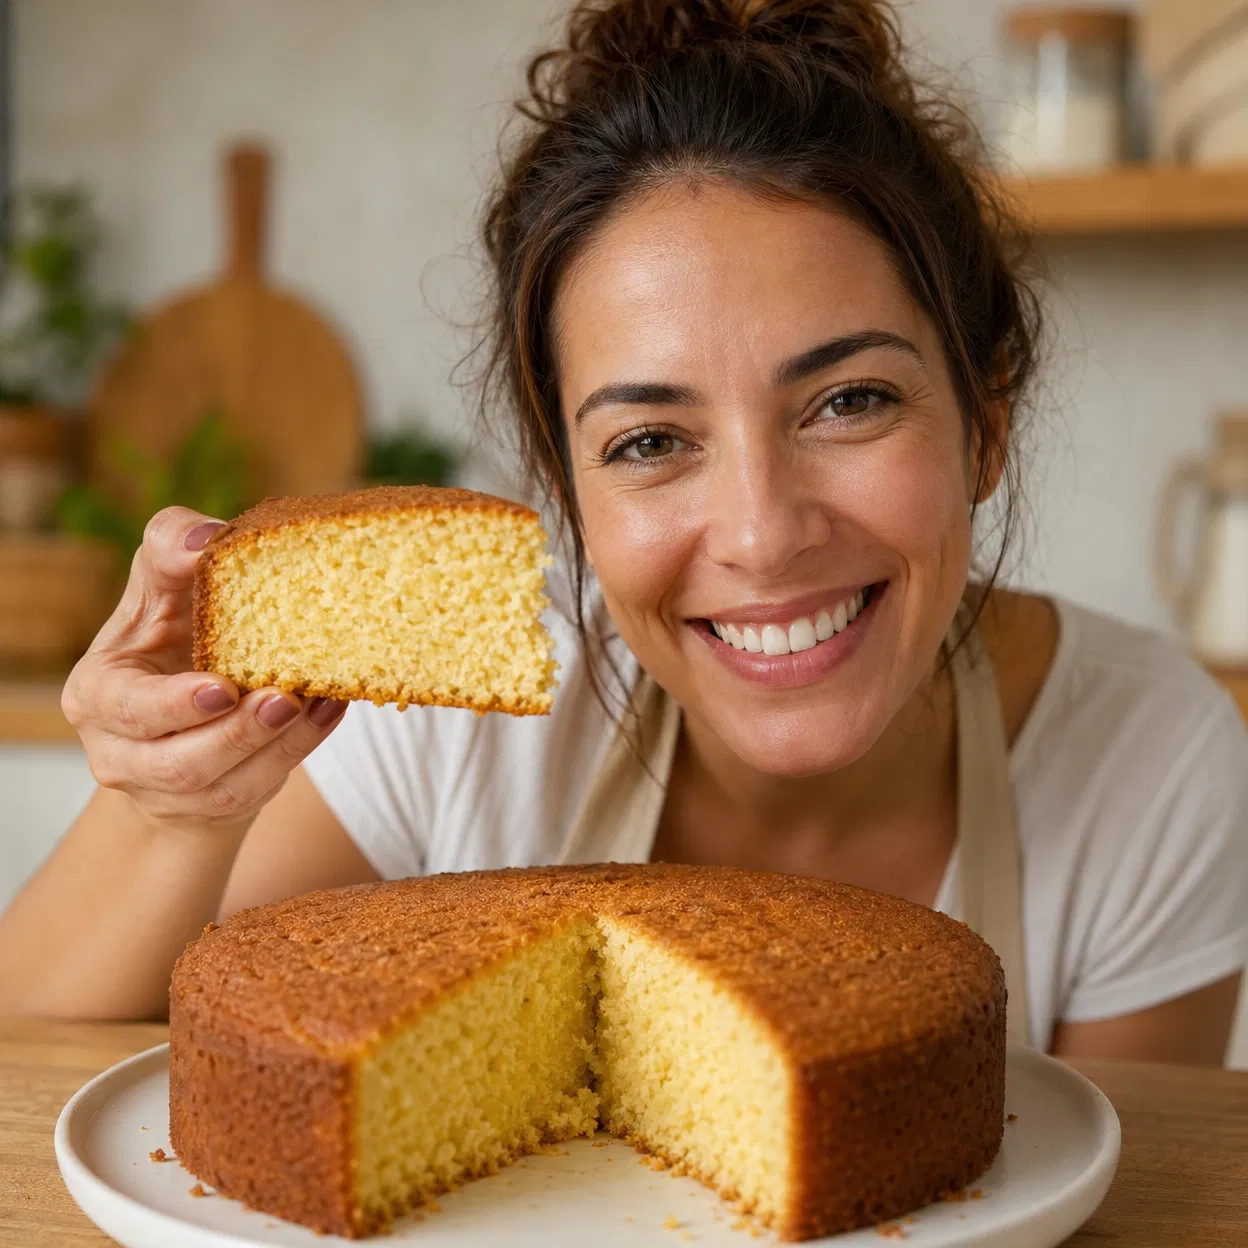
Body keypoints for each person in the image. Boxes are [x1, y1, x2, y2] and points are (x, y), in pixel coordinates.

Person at [2, 0, 1245, 1062]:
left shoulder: (1151, 763)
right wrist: (171, 808)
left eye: (849, 401)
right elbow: (54, 1078)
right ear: (570, 486)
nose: (761, 534)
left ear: (985, 419)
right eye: (651, 442)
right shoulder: (455, 740)